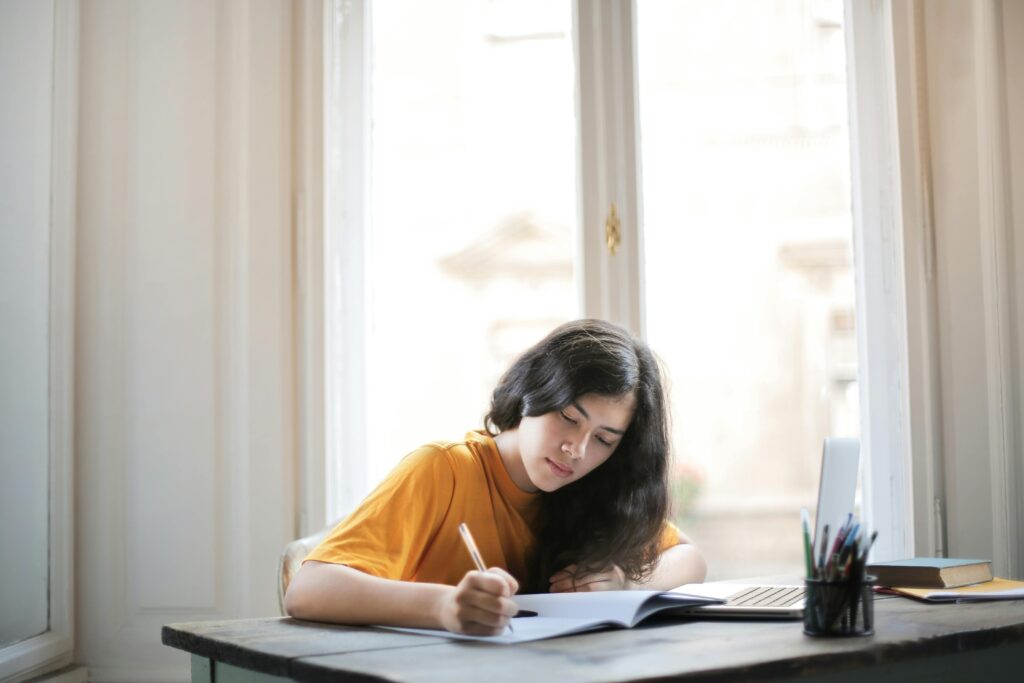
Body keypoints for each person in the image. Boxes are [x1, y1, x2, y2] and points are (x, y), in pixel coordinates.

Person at [285, 319, 706, 635]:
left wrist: (625, 582)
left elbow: (691, 559)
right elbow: (307, 589)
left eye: (604, 439)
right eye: (568, 417)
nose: (577, 449)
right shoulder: (444, 469)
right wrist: (444, 606)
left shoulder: (593, 490)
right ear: (533, 392)